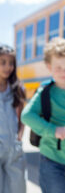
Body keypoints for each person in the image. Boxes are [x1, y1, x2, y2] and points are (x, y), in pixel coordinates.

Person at [21, 37, 65, 193]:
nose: (64, 72)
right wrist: (53, 130)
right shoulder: (46, 92)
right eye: (58, 67)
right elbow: (26, 115)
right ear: (49, 67)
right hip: (52, 161)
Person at [0, 44, 26, 193]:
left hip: (14, 149)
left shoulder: (17, 88)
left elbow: (23, 115)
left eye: (11, 63)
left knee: (17, 188)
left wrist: (20, 135)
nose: (7, 67)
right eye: (2, 62)